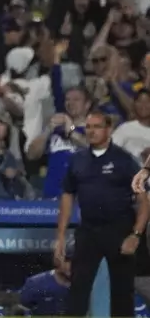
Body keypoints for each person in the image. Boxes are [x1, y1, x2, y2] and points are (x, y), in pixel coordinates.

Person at [56, 111, 149, 317]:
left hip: (120, 230)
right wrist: (60, 237)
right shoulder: (78, 160)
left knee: (122, 293)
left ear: (108, 130)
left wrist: (135, 235)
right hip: (88, 231)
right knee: (78, 289)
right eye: (88, 127)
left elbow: (143, 201)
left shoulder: (124, 160)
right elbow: (67, 196)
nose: (91, 131)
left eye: (97, 127)